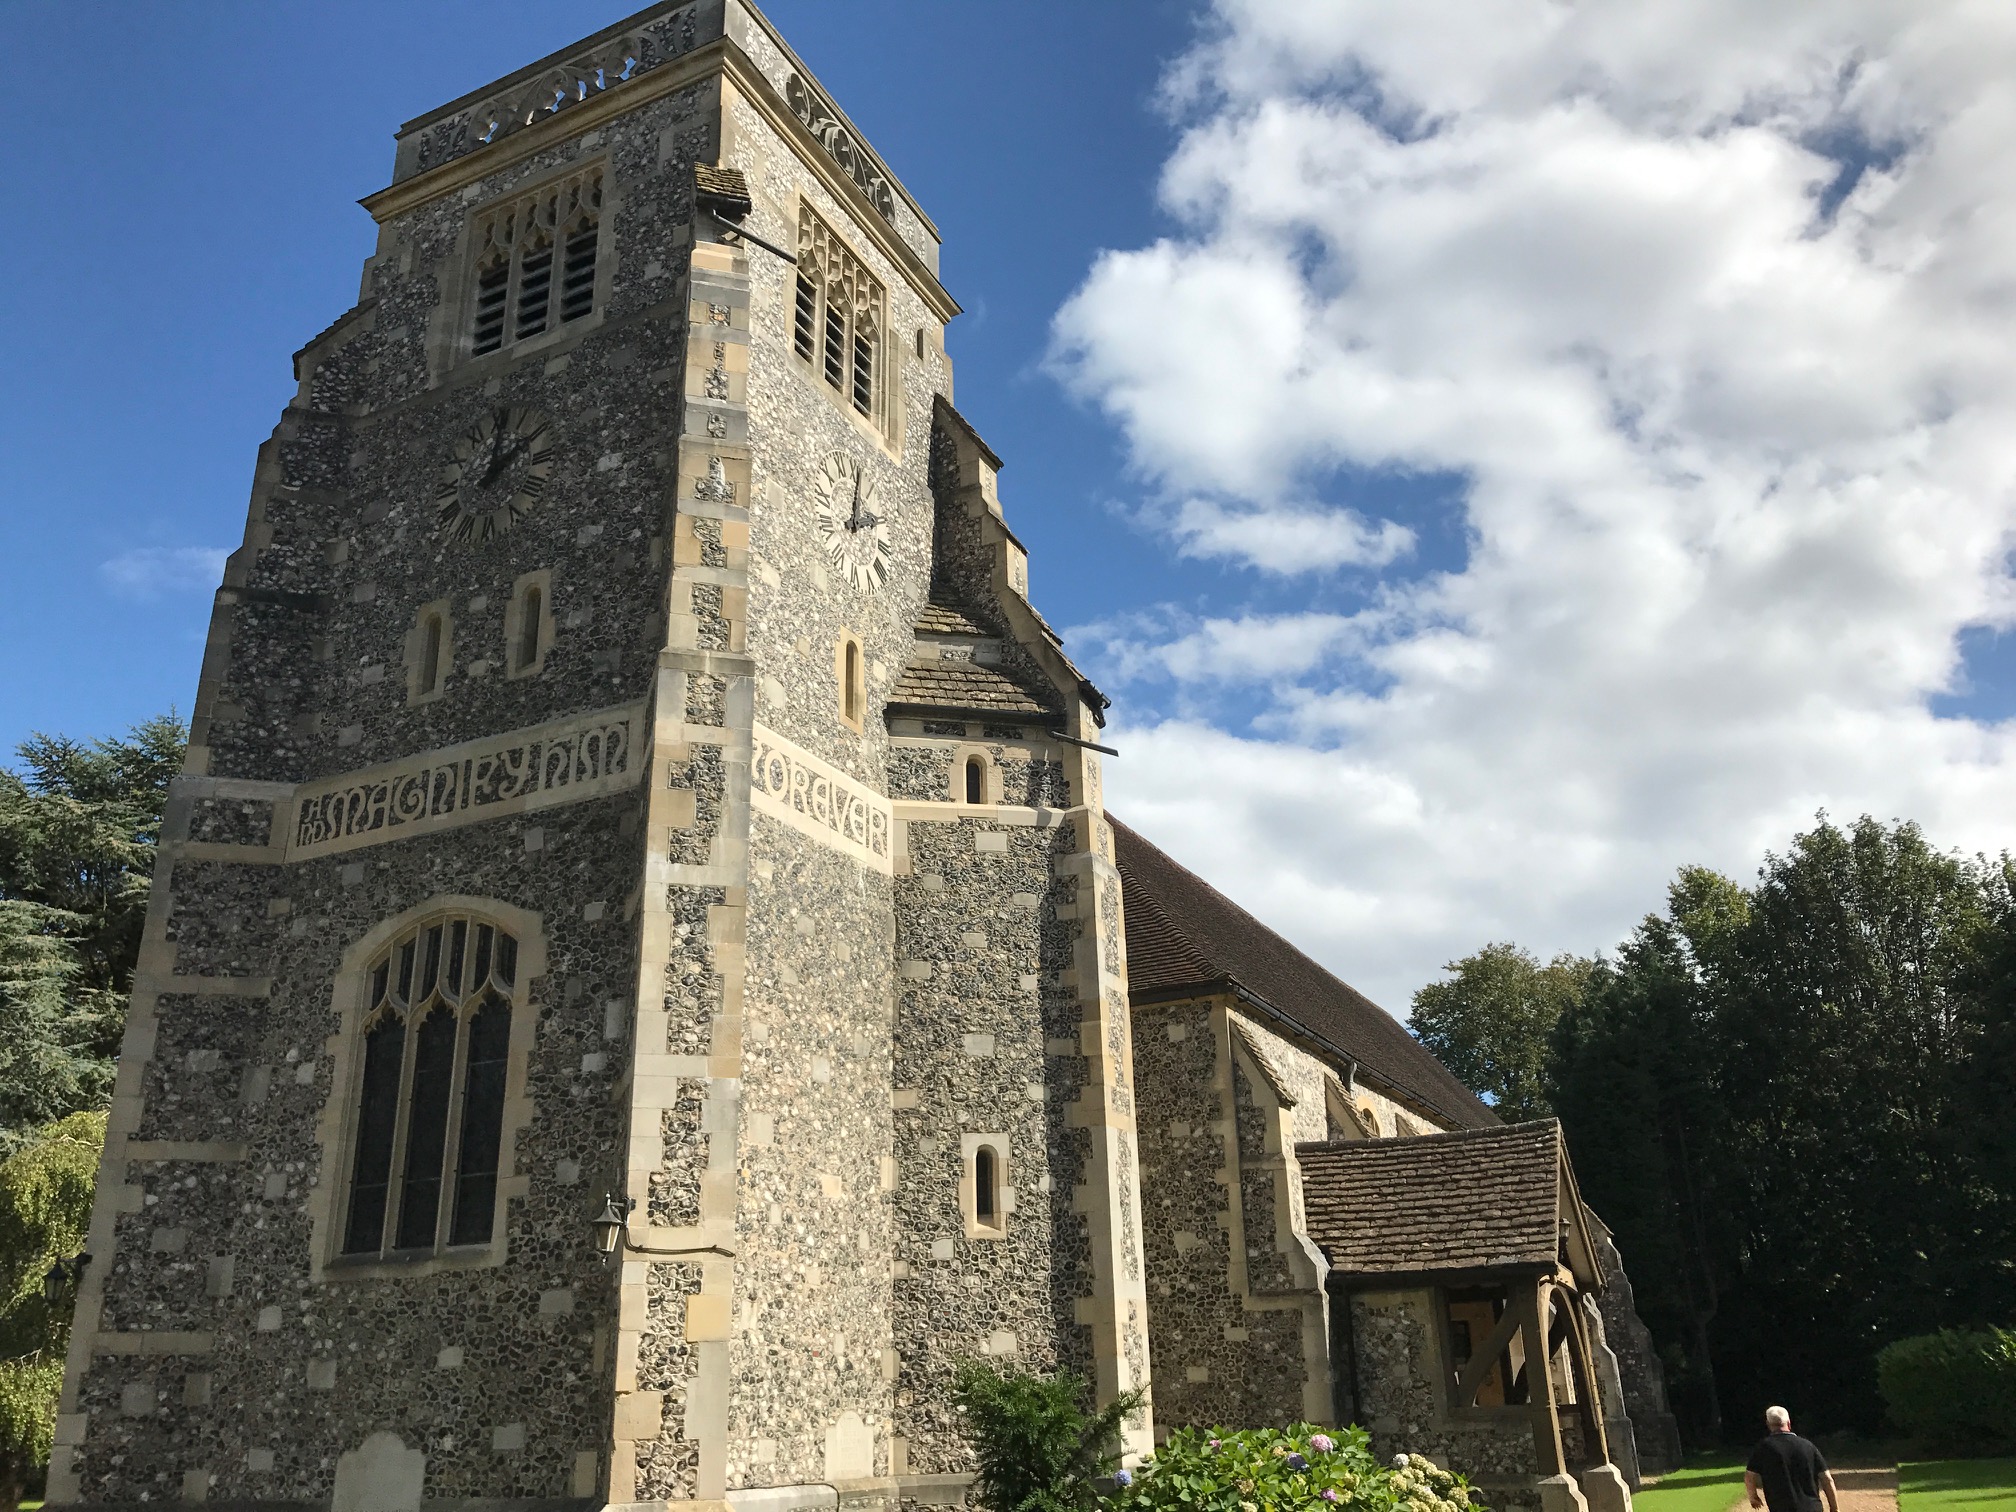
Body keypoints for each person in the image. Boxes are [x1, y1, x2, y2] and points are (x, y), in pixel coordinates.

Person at [1745, 1406, 1839, 1512]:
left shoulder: (1763, 1448)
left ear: (1768, 1424)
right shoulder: (1808, 1446)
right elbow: (1827, 1479)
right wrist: (1834, 1508)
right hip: (1812, 1508)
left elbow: (1749, 1477)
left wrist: (1753, 1497)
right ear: (1789, 1423)